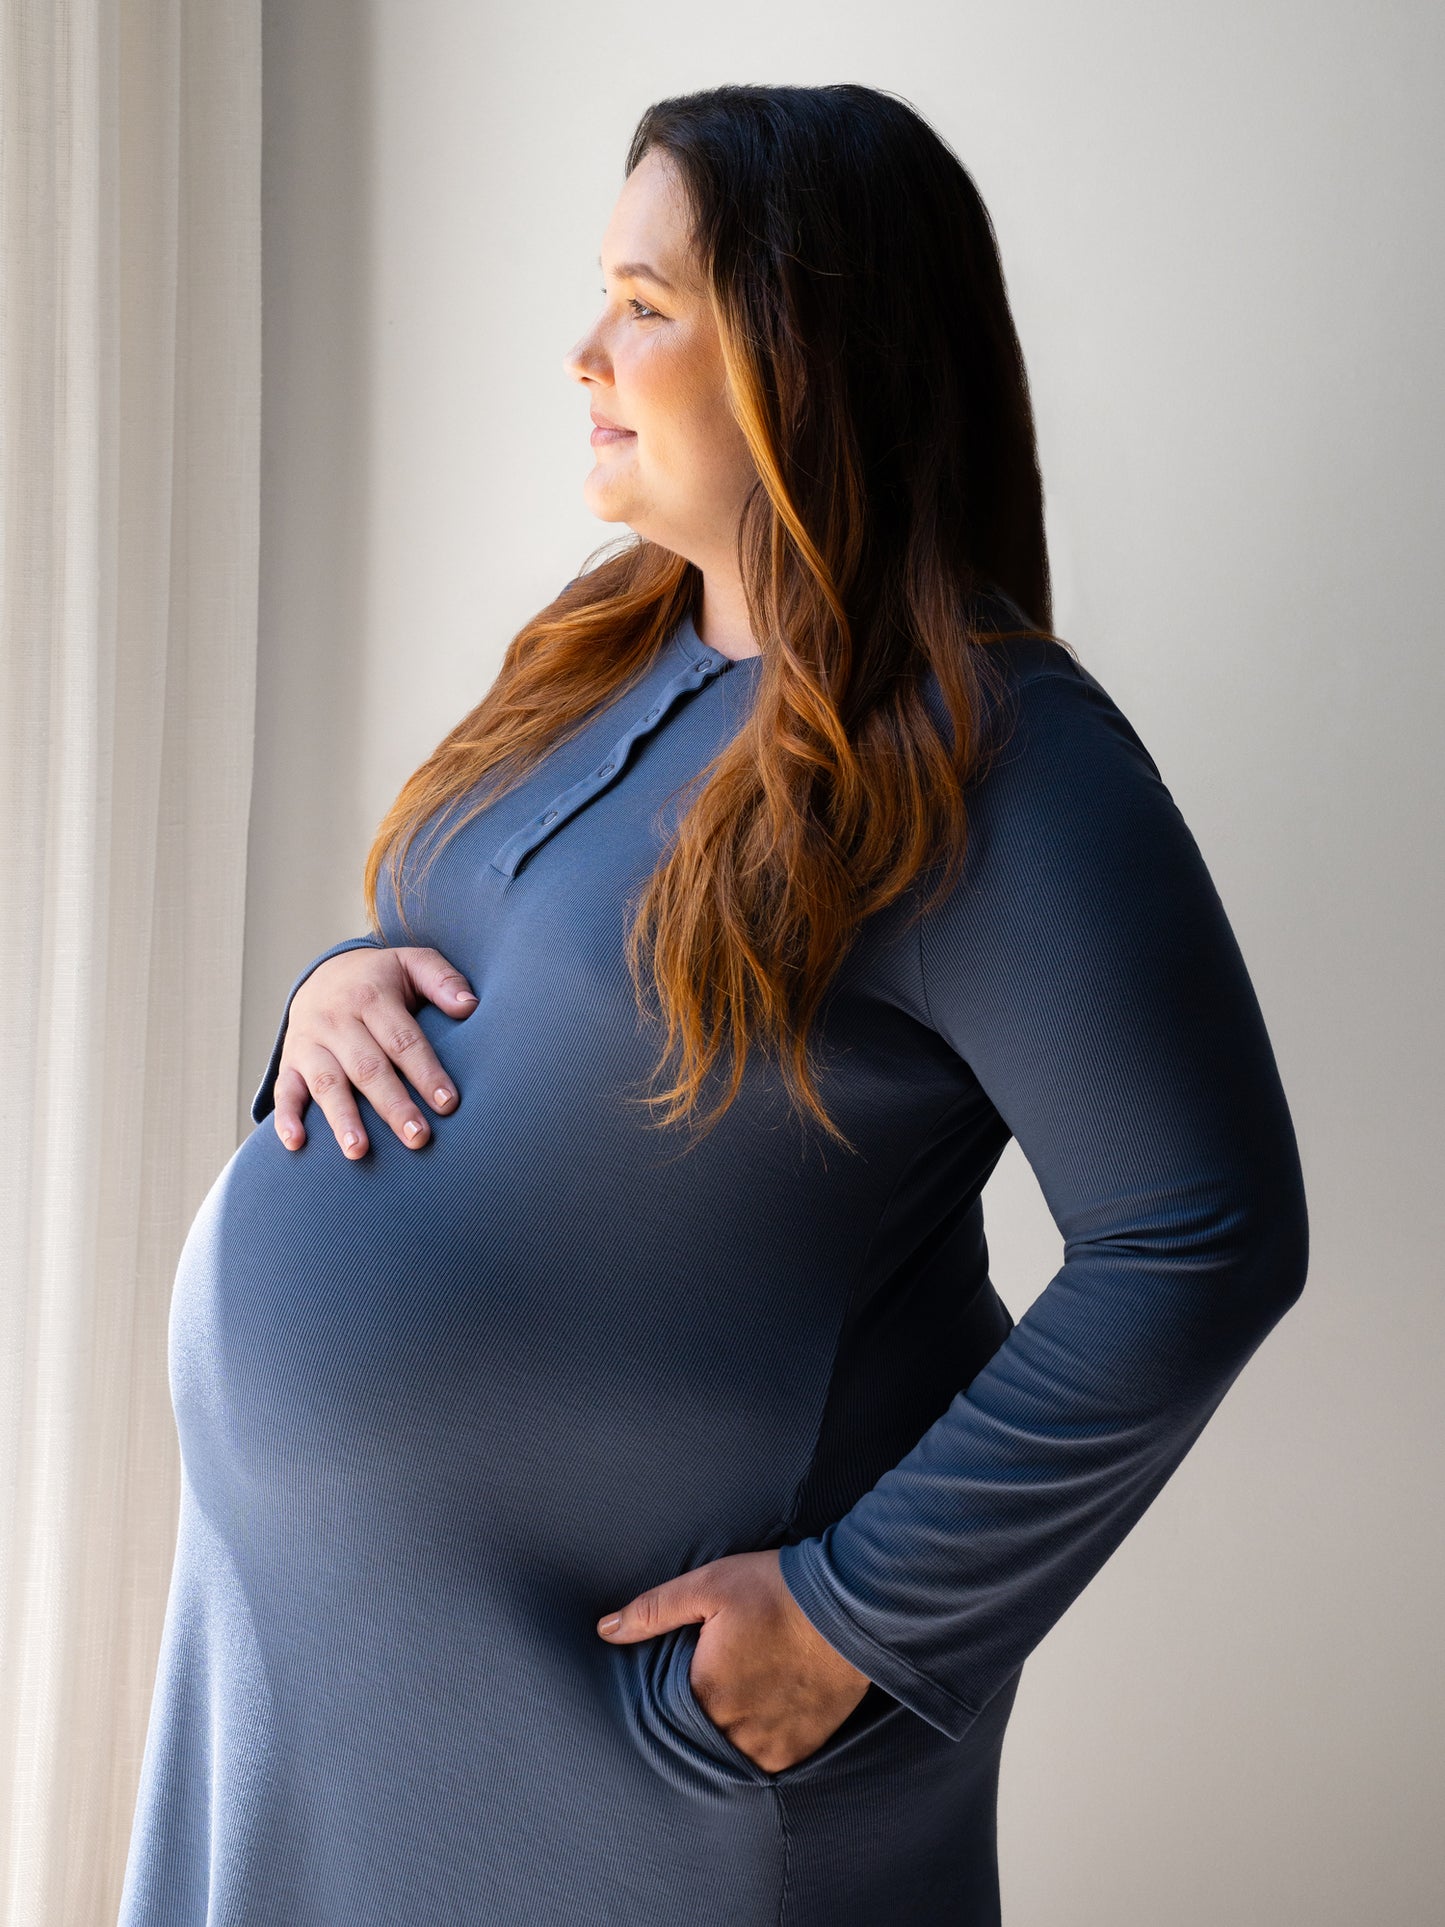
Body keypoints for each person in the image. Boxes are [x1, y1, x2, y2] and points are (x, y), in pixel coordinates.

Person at [118, 82, 1309, 1926]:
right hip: (319, 1683)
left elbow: (1200, 1237)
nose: (586, 348)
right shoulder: (604, 641)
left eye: (649, 301)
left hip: (629, 1763)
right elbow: (489, 972)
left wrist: (857, 1617)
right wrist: (326, 991)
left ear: (812, 351)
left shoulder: (995, 758)